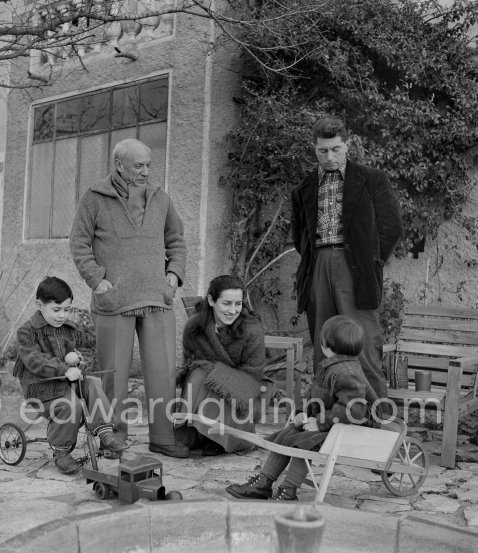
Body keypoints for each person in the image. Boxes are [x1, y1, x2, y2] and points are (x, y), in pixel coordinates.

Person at [70, 138, 189, 458]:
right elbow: (79, 243)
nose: (146, 171)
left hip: (156, 299)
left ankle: (163, 437)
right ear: (119, 165)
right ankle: (113, 436)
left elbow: (176, 239)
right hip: (114, 302)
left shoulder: (161, 198)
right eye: (139, 165)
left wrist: (173, 275)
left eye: (149, 165)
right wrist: (97, 282)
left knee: (163, 372)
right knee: (113, 376)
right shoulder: (94, 198)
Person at [291, 116, 403, 399]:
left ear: (347, 146)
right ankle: (326, 413)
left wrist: (372, 262)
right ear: (314, 148)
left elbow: (392, 227)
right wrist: (317, 262)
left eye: (336, 149)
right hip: (318, 266)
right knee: (323, 341)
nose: (330, 157)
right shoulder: (303, 188)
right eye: (323, 150)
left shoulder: (371, 179)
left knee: (362, 341)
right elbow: (299, 235)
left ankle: (377, 413)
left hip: (356, 269)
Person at [226, 315, 379, 500]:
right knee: (287, 434)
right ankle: (263, 483)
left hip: (347, 429)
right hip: (332, 423)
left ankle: (289, 490)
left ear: (325, 344)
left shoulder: (347, 373)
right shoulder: (331, 367)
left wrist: (320, 422)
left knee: (304, 442)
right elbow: (312, 394)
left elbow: (353, 410)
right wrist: (302, 413)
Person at [13, 276, 126, 475]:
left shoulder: (69, 329)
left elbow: (87, 347)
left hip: (68, 383)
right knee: (70, 405)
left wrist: (81, 360)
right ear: (39, 305)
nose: (62, 315)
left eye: (67, 309)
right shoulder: (27, 332)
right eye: (56, 310)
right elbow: (34, 360)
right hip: (42, 389)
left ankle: (106, 432)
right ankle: (62, 452)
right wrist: (64, 369)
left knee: (92, 384)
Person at [176, 274, 268, 455]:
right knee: (199, 372)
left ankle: (213, 436)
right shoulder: (194, 327)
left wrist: (217, 372)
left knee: (206, 372)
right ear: (211, 300)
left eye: (238, 304)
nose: (233, 310)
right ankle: (192, 429)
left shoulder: (251, 329)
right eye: (227, 303)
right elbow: (188, 364)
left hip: (243, 393)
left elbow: (252, 377)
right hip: (205, 384)